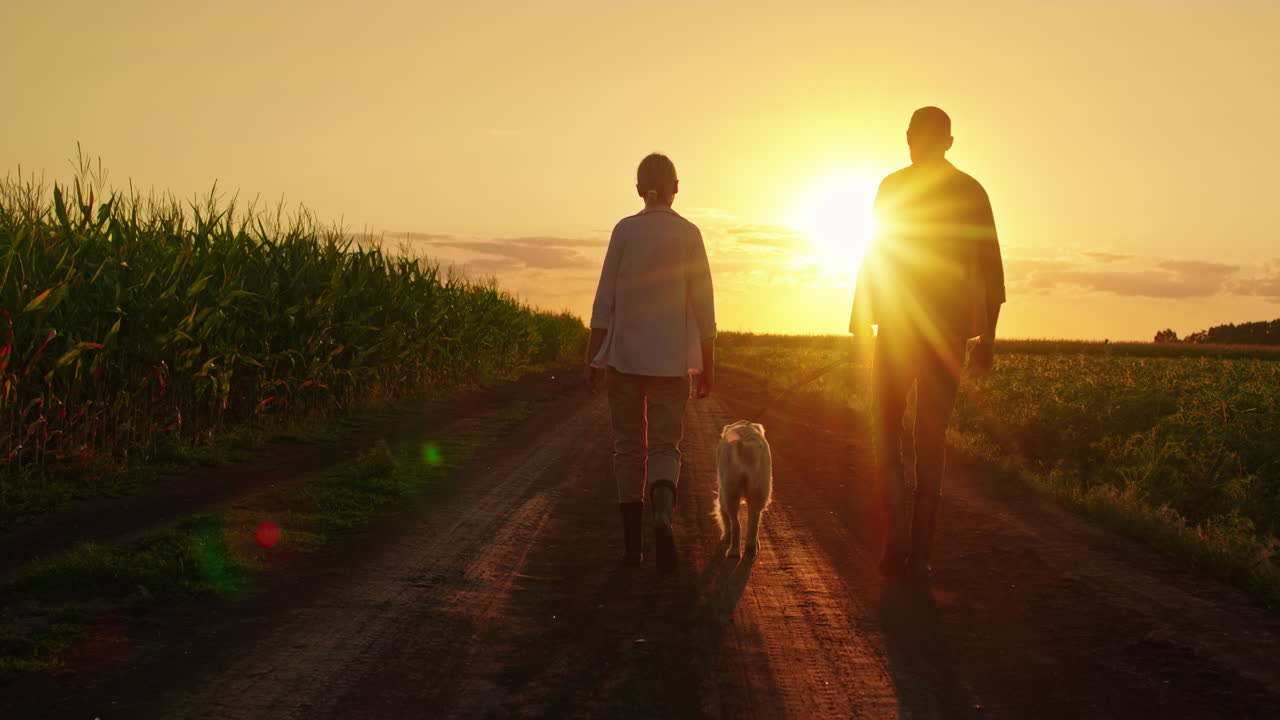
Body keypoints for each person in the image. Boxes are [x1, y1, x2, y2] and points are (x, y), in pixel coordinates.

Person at [850, 107, 1006, 578]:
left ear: (910, 138)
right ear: (949, 142)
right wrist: (987, 340)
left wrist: (861, 323)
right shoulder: (970, 190)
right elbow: (992, 273)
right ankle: (919, 552)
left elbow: (875, 254)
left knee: (887, 431)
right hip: (946, 334)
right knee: (931, 438)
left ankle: (899, 538)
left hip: (900, 330)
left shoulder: (894, 187)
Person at [586, 153, 717, 574]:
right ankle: (661, 516)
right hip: (671, 362)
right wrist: (708, 363)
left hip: (623, 359)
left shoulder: (624, 231)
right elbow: (704, 303)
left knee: (628, 448)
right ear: (676, 188)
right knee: (664, 446)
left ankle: (632, 548)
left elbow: (605, 298)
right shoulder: (689, 234)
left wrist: (593, 356)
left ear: (639, 190)